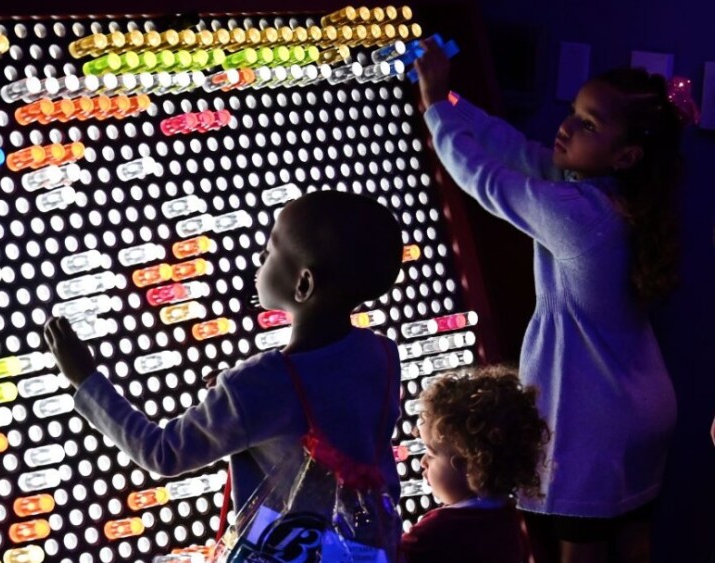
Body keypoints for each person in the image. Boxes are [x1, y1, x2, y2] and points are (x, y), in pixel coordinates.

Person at [414, 39, 684, 563]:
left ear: (625, 155)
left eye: (587, 124)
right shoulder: (615, 197)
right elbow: (512, 146)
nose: (565, 126)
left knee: (574, 554)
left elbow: (489, 180)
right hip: (644, 406)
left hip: (591, 417)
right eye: (571, 112)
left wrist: (433, 108)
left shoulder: (579, 214)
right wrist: (446, 97)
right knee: (633, 545)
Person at [43, 190, 405, 516]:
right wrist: (248, 396)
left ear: (303, 284)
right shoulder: (382, 355)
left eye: (271, 249)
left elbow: (163, 452)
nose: (261, 258)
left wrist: (86, 380)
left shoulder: (258, 386)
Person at [400, 365, 550, 563]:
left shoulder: (433, 532)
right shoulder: (508, 518)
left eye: (431, 453)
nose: (423, 462)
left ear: (469, 463)